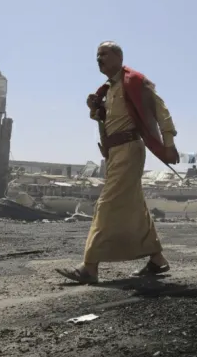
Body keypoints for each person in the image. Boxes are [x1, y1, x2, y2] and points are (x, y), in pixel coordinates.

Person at [55, 41, 180, 284]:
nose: (98, 59)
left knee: (106, 204)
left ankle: (89, 267)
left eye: (104, 54)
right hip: (115, 153)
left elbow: (160, 109)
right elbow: (107, 120)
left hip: (129, 149)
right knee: (135, 205)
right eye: (97, 55)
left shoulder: (134, 81)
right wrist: (95, 109)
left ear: (118, 57)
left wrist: (169, 142)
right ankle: (157, 259)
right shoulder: (107, 90)